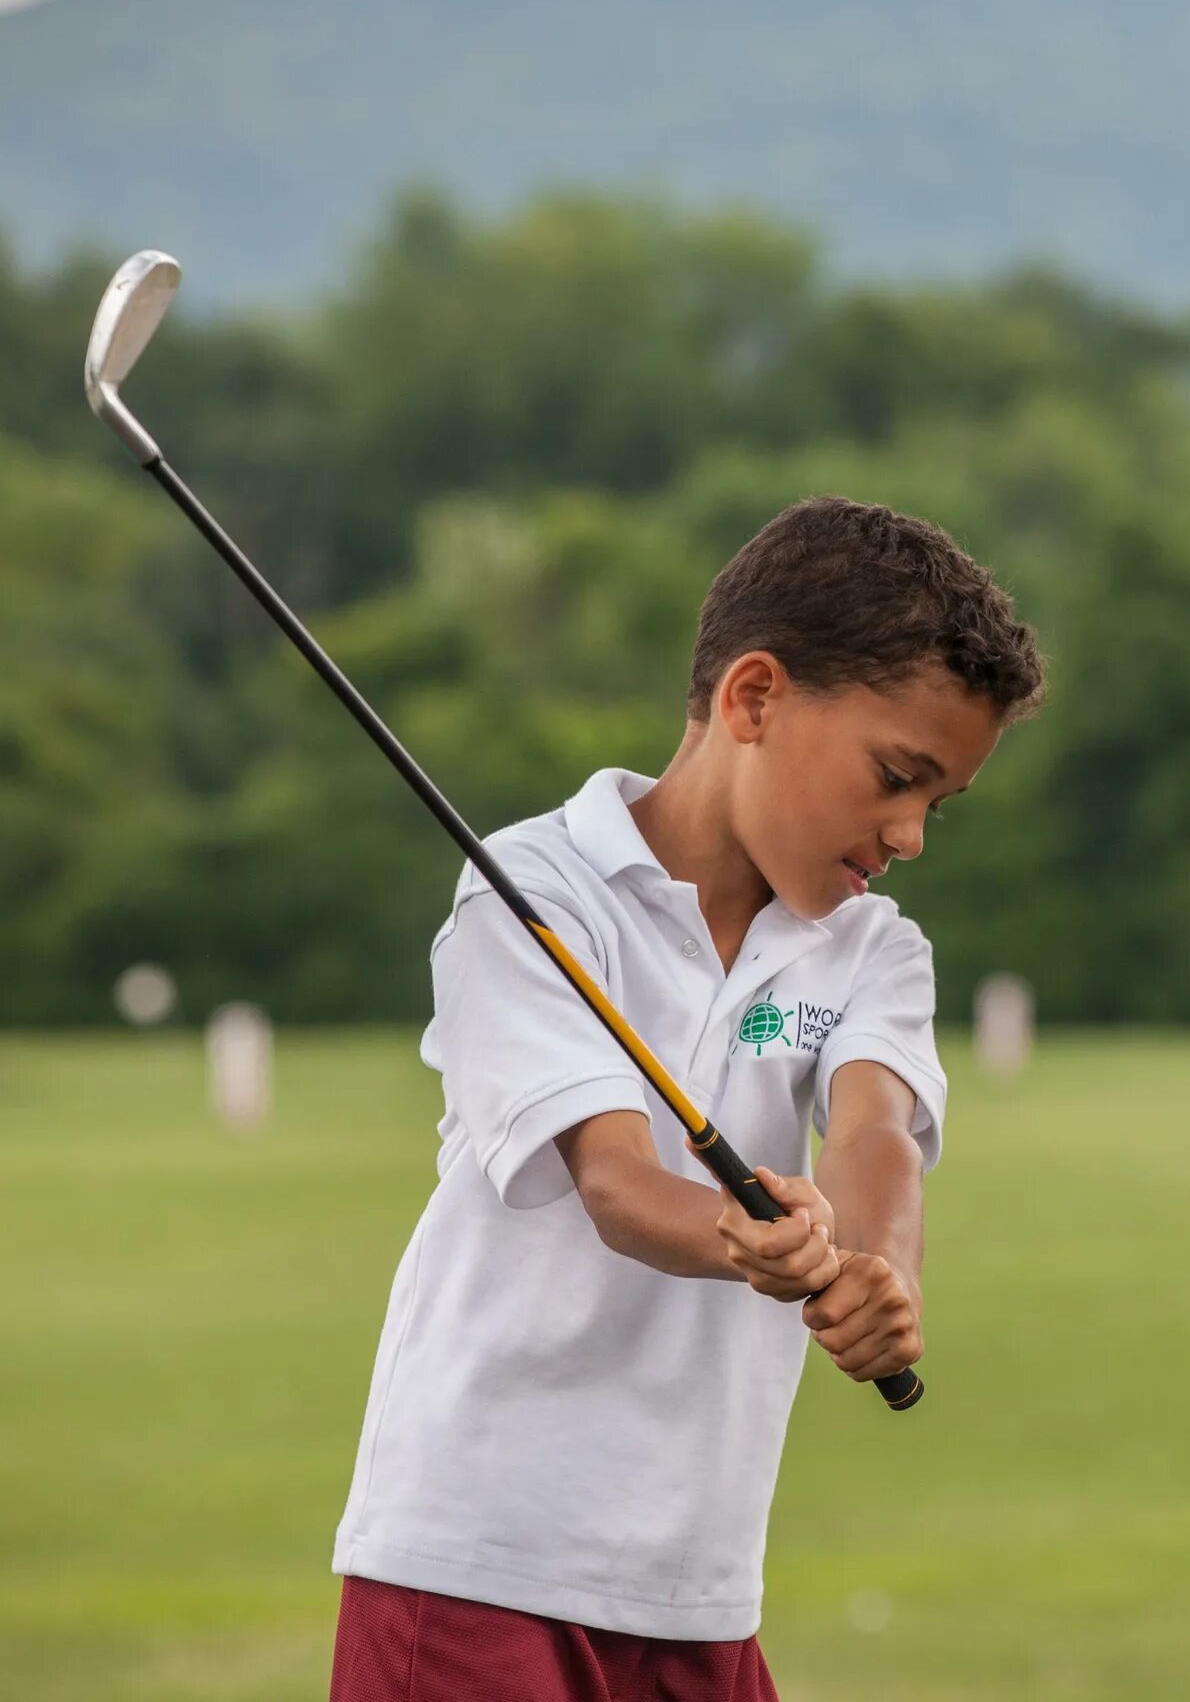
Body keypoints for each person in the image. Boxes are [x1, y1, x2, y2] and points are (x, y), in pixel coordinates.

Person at [329, 496, 1043, 1702]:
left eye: (939, 802)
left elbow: (876, 1131)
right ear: (753, 699)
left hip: (698, 1585)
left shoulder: (869, 947)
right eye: (896, 776)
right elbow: (612, 1181)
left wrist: (879, 1271)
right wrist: (744, 1230)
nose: (912, 834)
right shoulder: (535, 889)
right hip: (474, 1561)